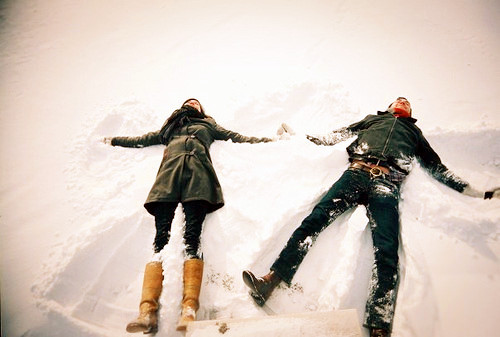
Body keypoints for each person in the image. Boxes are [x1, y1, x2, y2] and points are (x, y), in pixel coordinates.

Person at [242, 97, 499, 337]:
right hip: (355, 174)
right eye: (398, 100)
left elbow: (438, 168)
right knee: (314, 221)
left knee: (386, 248)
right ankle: (270, 281)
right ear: (389, 108)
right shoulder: (372, 120)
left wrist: (477, 192)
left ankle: (379, 323)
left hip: (386, 184)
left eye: (406, 102)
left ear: (410, 114)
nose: (402, 101)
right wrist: (300, 137)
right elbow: (337, 134)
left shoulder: (414, 134)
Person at [104, 98, 272, 334]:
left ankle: (189, 310)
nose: (193, 103)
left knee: (192, 237)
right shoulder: (170, 128)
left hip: (198, 178)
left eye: (196, 102)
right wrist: (114, 140)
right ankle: (146, 312)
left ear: (201, 110)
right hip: (168, 178)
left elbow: (237, 136)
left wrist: (269, 140)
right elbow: (142, 139)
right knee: (160, 240)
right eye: (189, 101)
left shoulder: (209, 125)